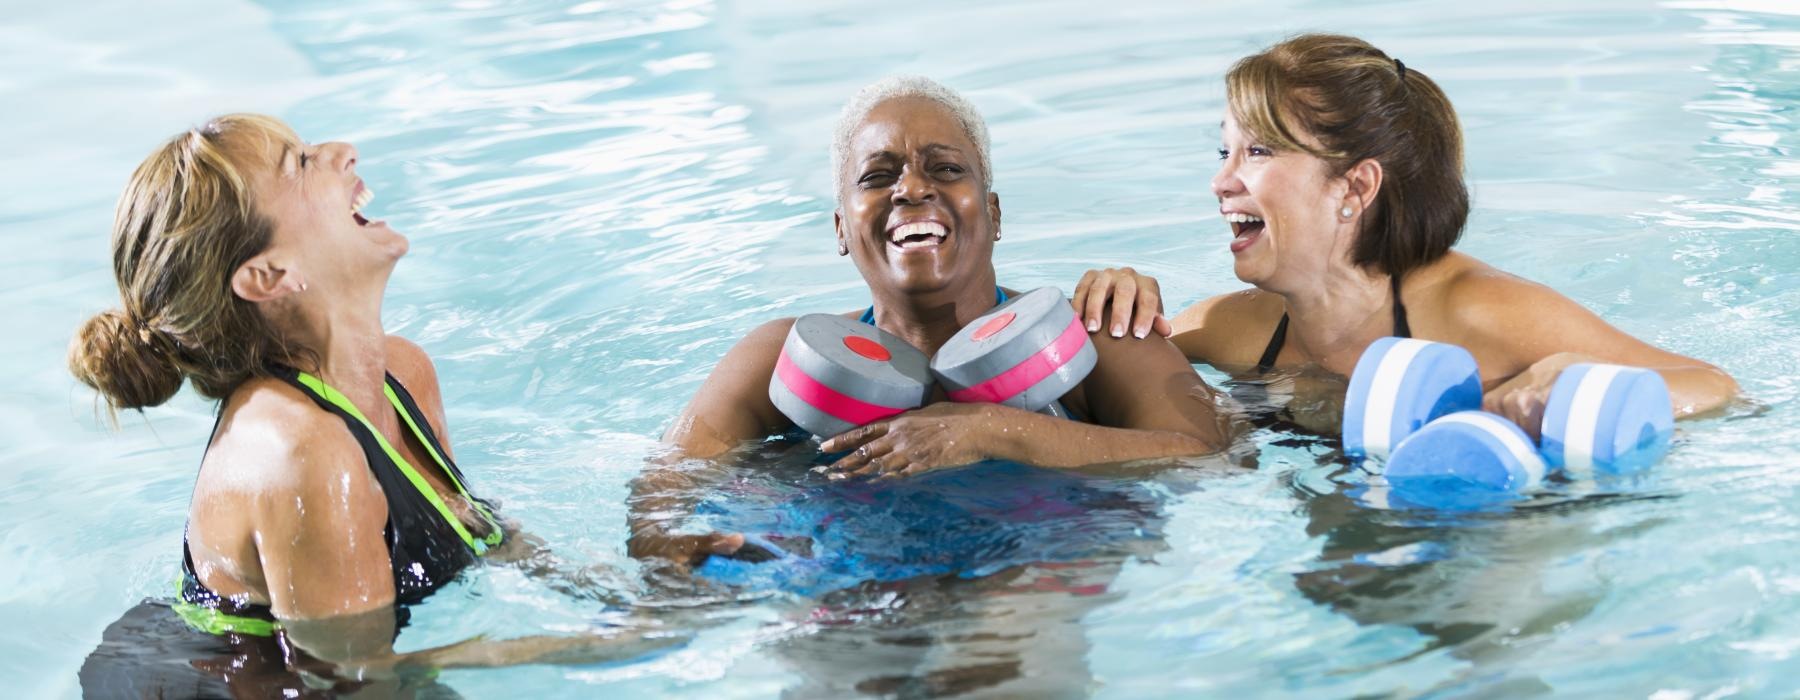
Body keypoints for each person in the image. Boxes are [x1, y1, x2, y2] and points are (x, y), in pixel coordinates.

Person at [72, 114, 665, 697]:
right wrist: (587, 647)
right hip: (229, 680)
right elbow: (355, 680)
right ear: (270, 274)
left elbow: (479, 530)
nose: (342, 151)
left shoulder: (403, 373)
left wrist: (648, 596)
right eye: (299, 164)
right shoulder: (299, 453)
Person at [632, 77, 1235, 566]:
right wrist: (660, 540)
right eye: (877, 175)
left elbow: (1207, 455)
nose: (911, 189)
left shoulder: (1093, 333)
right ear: (841, 228)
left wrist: (991, 432)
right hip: (845, 576)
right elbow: (673, 469)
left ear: (993, 214)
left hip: (1039, 565)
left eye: (945, 169)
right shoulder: (777, 357)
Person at [1073, 34, 1737, 435]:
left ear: (1357, 188)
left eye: (1260, 153)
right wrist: (1116, 305)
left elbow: (1717, 389)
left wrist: (1578, 379)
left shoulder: (1475, 311)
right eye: (1223, 154)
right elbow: (1081, 388)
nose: (1222, 184)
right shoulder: (1234, 330)